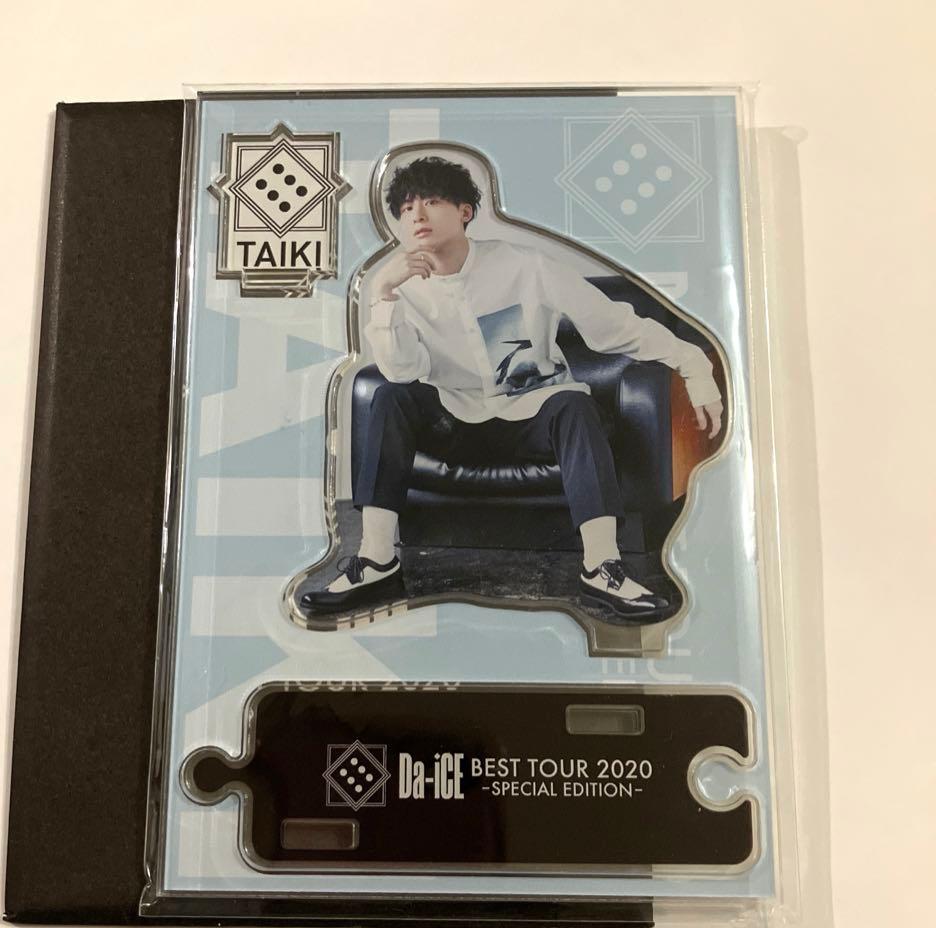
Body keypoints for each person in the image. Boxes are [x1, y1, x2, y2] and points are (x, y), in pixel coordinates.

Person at [301, 156, 722, 619]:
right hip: (452, 419)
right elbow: (402, 371)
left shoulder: (526, 266)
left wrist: (694, 365)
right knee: (389, 395)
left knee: (574, 405)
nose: (416, 215)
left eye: (432, 201)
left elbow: (613, 326)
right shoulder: (399, 289)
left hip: (531, 413)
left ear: (465, 211)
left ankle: (602, 566)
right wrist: (382, 296)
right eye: (405, 208)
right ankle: (377, 559)